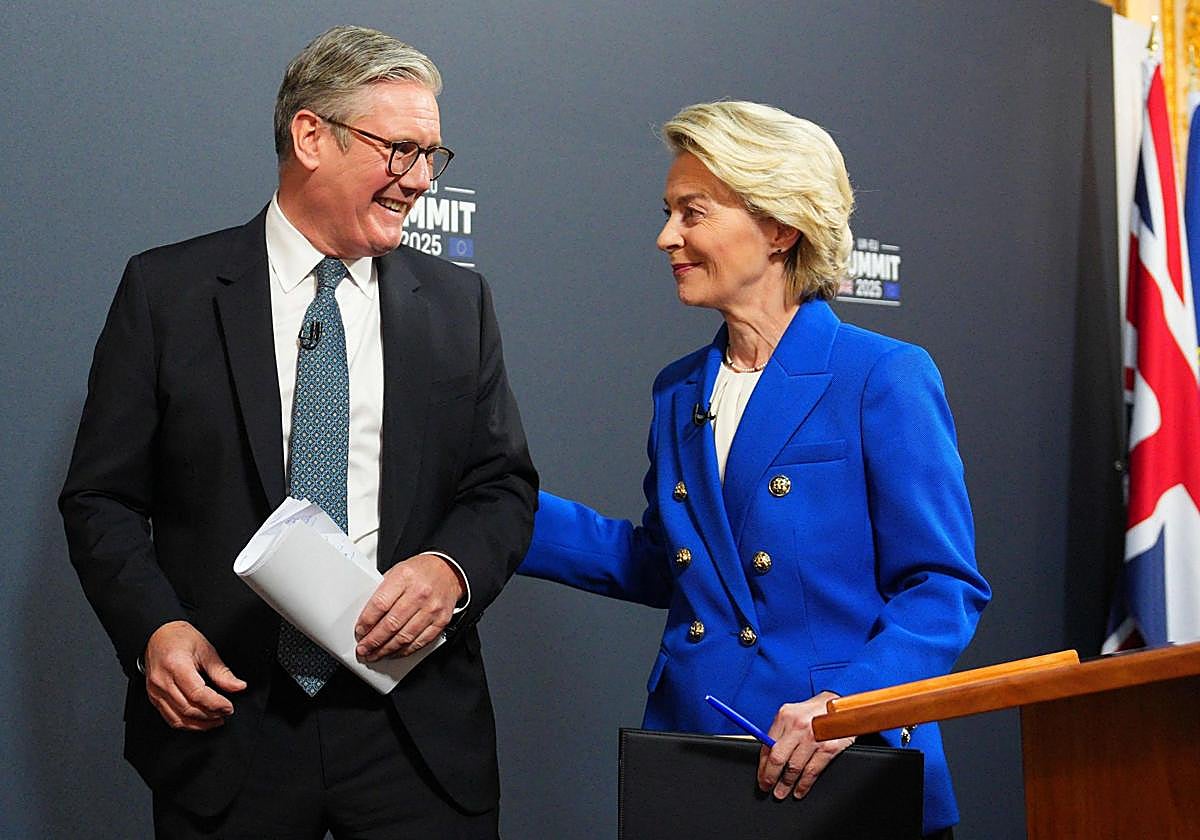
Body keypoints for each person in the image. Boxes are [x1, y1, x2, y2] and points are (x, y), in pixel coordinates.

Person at [59, 25, 536, 839]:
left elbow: (502, 487)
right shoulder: (166, 293)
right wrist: (155, 631)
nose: (419, 179)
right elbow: (100, 499)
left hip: (415, 736)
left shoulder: (460, 306)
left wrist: (450, 570)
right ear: (311, 135)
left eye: (433, 157)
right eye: (400, 150)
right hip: (228, 726)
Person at [519, 100, 990, 838]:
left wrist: (848, 707)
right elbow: (671, 564)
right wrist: (504, 509)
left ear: (778, 227)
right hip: (695, 760)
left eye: (692, 212)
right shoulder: (679, 390)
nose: (666, 236)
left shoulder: (882, 376)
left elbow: (942, 587)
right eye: (669, 212)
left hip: (840, 770)